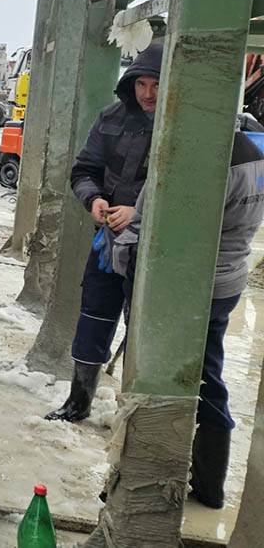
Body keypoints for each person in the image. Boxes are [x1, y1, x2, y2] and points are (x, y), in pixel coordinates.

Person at [109, 130, 264, 508]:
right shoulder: (251, 153)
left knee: (168, 380)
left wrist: (129, 266)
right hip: (227, 280)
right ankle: (209, 484)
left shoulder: (205, 157)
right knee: (207, 373)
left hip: (192, 287)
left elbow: (168, 228)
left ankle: (155, 481)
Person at [45, 44, 162, 421]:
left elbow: (189, 192)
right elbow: (84, 170)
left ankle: (141, 417)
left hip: (156, 248)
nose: (147, 93)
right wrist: (93, 199)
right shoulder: (112, 117)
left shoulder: (184, 123)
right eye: (141, 84)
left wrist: (140, 213)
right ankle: (78, 401)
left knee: (145, 327)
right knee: (94, 315)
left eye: (156, 84)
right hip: (109, 239)